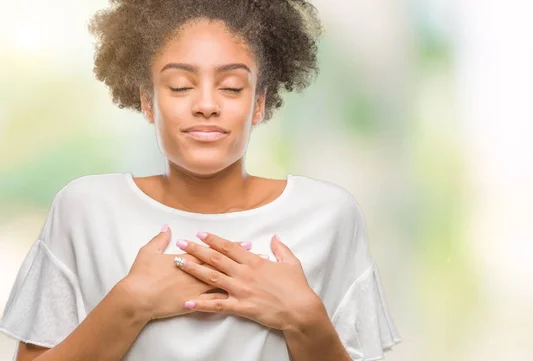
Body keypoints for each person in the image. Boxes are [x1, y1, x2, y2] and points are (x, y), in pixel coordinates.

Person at [0, 0, 401, 360]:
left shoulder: (328, 215)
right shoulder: (85, 209)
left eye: (231, 87)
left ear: (258, 103)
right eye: (180, 86)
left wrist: (305, 318)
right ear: (146, 101)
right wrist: (128, 304)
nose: (206, 105)